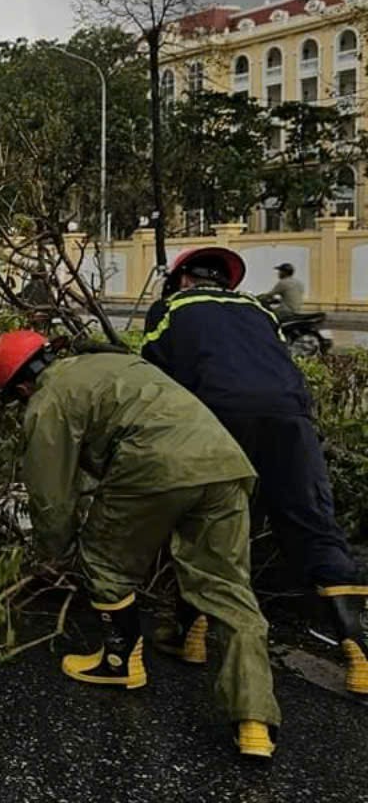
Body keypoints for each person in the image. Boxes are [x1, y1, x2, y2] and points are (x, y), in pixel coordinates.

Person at [0, 330, 280, 758]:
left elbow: (51, 495)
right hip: (225, 462)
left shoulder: (47, 400)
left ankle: (119, 662)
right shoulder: (116, 363)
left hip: (155, 463)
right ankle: (255, 721)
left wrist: (54, 552)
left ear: (23, 386)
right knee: (228, 588)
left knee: (103, 559)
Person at [143, 246, 367, 697]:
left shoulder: (169, 308)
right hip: (290, 418)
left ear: (184, 279)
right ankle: (359, 650)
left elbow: (156, 382)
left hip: (218, 418)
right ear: (227, 282)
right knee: (313, 523)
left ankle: (192, 635)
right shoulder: (259, 310)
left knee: (211, 522)